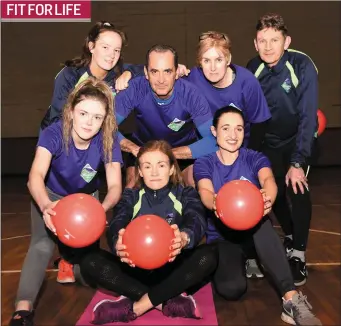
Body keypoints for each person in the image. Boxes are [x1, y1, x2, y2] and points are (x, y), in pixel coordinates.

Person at [9, 78, 123, 326]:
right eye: (83, 113)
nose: (89, 122)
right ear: (71, 111)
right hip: (51, 197)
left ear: (105, 120)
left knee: (87, 268)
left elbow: (115, 186)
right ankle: (23, 308)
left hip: (87, 203)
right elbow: (35, 177)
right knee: (41, 246)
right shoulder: (54, 132)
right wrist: (45, 205)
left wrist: (100, 209)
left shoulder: (108, 139)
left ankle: (70, 261)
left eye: (97, 117)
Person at [194, 106, 322, 326]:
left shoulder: (254, 157)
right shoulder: (204, 162)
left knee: (262, 225)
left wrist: (267, 200)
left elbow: (268, 181)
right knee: (232, 289)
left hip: (253, 231)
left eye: (239, 129)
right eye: (226, 128)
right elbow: (205, 190)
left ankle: (290, 299)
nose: (233, 135)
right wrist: (215, 202)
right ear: (214, 131)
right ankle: (243, 261)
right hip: (225, 237)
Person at [78, 140, 217, 324]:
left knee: (210, 254)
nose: (154, 172)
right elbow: (118, 221)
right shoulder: (131, 196)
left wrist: (184, 237)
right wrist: (117, 242)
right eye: (147, 166)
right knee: (89, 261)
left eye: (161, 165)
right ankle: (165, 302)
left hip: (172, 270)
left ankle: (136, 306)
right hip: (135, 270)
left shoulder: (186, 194)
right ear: (140, 172)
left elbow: (196, 218)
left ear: (171, 169)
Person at [247, 13, 319, 286]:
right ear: (255, 43)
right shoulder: (253, 67)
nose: (268, 47)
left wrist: (298, 161)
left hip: (297, 139)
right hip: (268, 143)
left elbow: (308, 116)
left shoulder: (302, 65)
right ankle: (289, 235)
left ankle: (299, 253)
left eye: (274, 40)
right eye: (262, 40)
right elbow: (250, 116)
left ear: (286, 41)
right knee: (271, 192)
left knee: (297, 188)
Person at [115, 44, 217, 188]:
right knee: (132, 186)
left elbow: (213, 140)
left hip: (181, 152)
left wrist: (168, 154)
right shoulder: (135, 89)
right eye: (154, 72)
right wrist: (132, 148)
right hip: (142, 149)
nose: (161, 80)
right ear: (145, 72)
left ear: (176, 72)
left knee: (197, 183)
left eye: (167, 71)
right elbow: (106, 128)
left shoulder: (191, 94)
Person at [40, 21, 142, 130]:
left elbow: (148, 69)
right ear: (91, 46)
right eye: (105, 47)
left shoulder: (118, 72)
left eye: (116, 50)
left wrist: (129, 73)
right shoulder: (70, 75)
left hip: (94, 133)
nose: (112, 55)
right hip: (56, 133)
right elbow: (57, 119)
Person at [186, 31, 271, 151]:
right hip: (207, 150)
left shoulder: (247, 82)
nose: (213, 68)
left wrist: (247, 157)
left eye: (219, 60)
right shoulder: (194, 77)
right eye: (206, 61)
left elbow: (259, 125)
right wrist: (177, 70)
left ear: (228, 59)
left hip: (241, 148)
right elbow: (164, 81)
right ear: (200, 62)